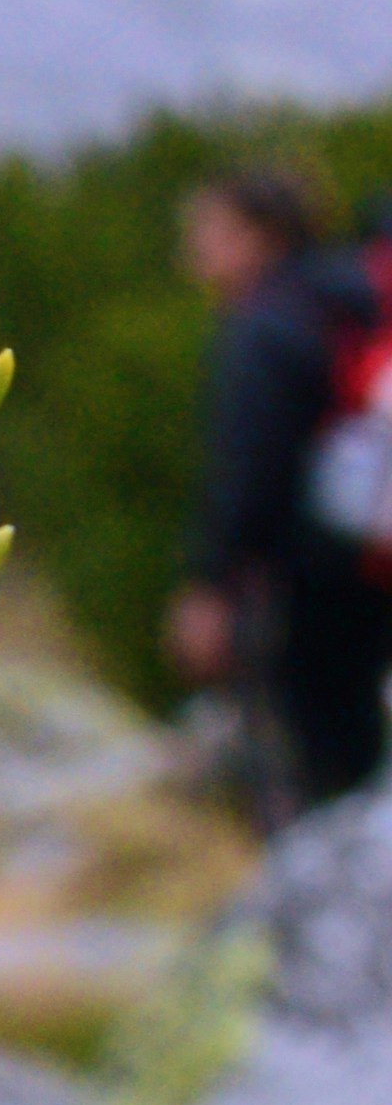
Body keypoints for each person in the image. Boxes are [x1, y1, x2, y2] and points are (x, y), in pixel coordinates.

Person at [163, 160, 389, 819]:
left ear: (258, 235)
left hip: (301, 580)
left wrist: (208, 585)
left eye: (207, 229)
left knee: (308, 757)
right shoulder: (347, 301)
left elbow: (247, 472)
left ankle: (327, 895)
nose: (193, 249)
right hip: (367, 561)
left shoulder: (264, 326)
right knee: (358, 738)